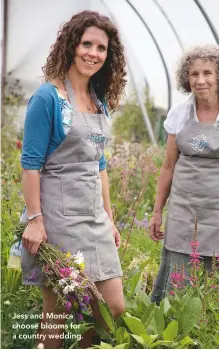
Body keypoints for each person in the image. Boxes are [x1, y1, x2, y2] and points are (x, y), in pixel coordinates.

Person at [21, 10, 127, 348]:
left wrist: (109, 218)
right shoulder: (48, 98)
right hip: (59, 218)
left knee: (113, 308)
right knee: (58, 311)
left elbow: (100, 164)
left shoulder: (99, 102)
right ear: (71, 45)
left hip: (94, 217)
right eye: (87, 44)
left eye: (101, 48)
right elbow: (30, 165)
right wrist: (36, 221)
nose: (93, 53)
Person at [149, 45, 219, 304]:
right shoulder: (180, 113)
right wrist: (157, 211)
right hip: (183, 209)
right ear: (186, 79)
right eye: (194, 74)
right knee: (180, 275)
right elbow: (168, 166)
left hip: (216, 209)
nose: (201, 80)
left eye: (208, 73)